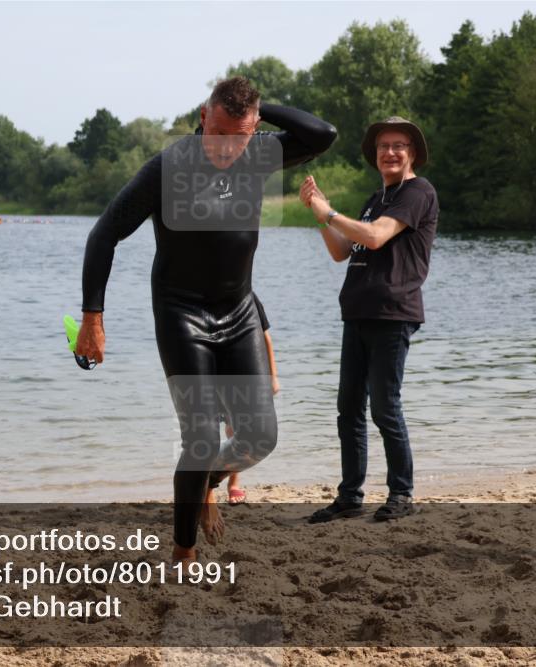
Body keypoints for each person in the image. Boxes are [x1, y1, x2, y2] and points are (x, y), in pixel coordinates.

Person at [76, 77, 336, 562]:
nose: (226, 147)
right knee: (201, 440)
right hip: (182, 313)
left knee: (260, 438)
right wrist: (93, 316)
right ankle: (183, 552)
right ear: (202, 117)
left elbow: (323, 134)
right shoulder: (168, 167)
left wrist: (256, 114)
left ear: (253, 128)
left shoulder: (257, 153)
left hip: (238, 313)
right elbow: (104, 234)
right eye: (218, 132)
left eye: (238, 135)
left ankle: (200, 489)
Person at [301, 116, 438, 522]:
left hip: (393, 313)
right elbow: (343, 250)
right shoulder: (375, 198)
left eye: (398, 146)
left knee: (384, 407)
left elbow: (376, 236)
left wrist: (330, 212)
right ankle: (350, 496)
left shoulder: (417, 192)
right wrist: (318, 212)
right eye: (383, 146)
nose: (390, 153)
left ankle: (402, 493)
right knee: (349, 409)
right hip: (358, 311)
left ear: (412, 153)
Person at [223, 294, 280, 505]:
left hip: (244, 369)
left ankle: (233, 484)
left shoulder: (249, 297)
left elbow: (266, 338)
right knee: (217, 429)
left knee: (237, 431)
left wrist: (273, 377)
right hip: (217, 370)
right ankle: (206, 484)